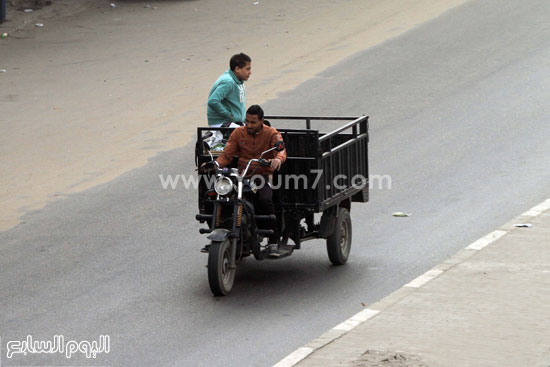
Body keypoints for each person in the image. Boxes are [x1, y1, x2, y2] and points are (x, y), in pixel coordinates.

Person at [215, 105, 286, 256]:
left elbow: (281, 151)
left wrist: (277, 160)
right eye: (247, 121)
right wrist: (215, 164)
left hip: (262, 175)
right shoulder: (238, 132)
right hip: (242, 176)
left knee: (265, 199)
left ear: (261, 121)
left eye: (253, 122)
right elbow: (226, 155)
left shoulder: (272, 133)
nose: (249, 125)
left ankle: (273, 239)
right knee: (223, 197)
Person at [207, 53, 252, 126]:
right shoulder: (228, 82)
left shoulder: (239, 81)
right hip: (222, 124)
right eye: (247, 69)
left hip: (235, 122)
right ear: (237, 69)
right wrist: (229, 115)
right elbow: (213, 101)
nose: (250, 72)